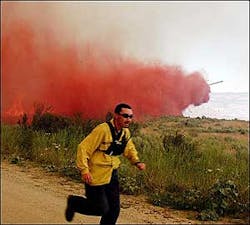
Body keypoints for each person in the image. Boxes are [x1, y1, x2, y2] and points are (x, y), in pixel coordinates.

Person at [65, 103, 146, 225]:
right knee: (100, 208)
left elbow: (129, 149)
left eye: (131, 116)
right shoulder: (102, 130)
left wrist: (136, 161)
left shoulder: (125, 133)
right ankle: (74, 203)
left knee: (114, 210)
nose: (128, 119)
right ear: (117, 115)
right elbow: (83, 148)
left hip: (112, 173)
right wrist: (84, 170)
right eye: (125, 116)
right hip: (96, 174)